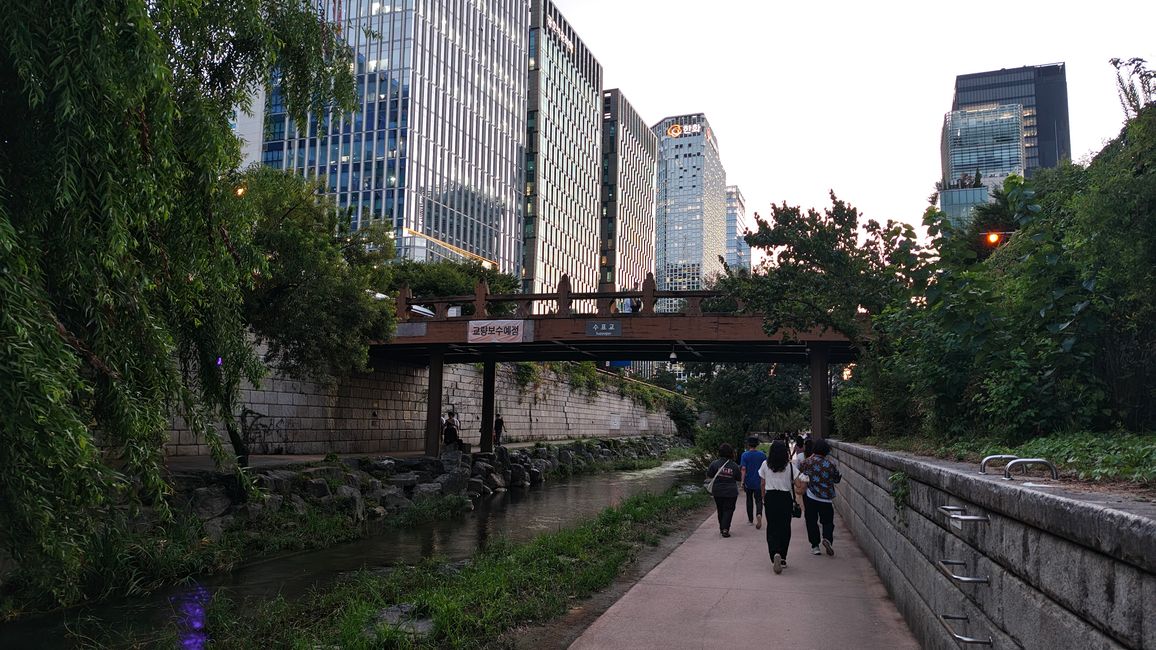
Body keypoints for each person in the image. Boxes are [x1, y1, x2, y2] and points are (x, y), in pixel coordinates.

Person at [798, 439, 842, 556]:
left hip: (811, 496)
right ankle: (827, 538)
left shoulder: (807, 462)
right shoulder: (830, 464)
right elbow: (837, 479)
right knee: (827, 521)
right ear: (827, 451)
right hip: (826, 498)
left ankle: (815, 546)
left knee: (811, 521)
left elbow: (800, 470)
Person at [759, 439, 795, 574]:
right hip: (785, 498)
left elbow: (762, 483)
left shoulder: (765, 464)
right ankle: (783, 557)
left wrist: (763, 498)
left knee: (772, 526)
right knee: (785, 526)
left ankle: (774, 553)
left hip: (771, 497)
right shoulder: (790, 466)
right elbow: (798, 481)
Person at [705, 443, 741, 537]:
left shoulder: (714, 463)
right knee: (729, 510)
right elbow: (739, 478)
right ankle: (725, 528)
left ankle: (722, 527)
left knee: (720, 509)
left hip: (718, 491)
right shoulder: (734, 466)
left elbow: (710, 474)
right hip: (731, 492)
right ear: (730, 453)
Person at [739, 436, 767, 529]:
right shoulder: (762, 455)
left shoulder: (744, 455)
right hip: (759, 481)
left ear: (748, 444)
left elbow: (743, 469)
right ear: (757, 445)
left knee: (749, 500)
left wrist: (742, 481)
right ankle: (759, 514)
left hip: (748, 481)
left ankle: (750, 520)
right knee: (759, 500)